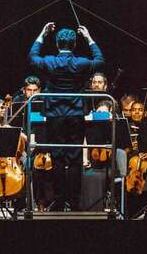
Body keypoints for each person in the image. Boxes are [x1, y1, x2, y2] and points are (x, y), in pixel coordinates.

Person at [28, 22, 104, 211]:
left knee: (58, 158)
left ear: (56, 44)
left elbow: (32, 56)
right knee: (75, 158)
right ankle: (75, 201)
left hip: (54, 115)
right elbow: (99, 59)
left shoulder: (50, 61)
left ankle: (60, 201)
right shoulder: (80, 63)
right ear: (75, 44)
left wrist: (41, 33)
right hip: (75, 114)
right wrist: (89, 38)